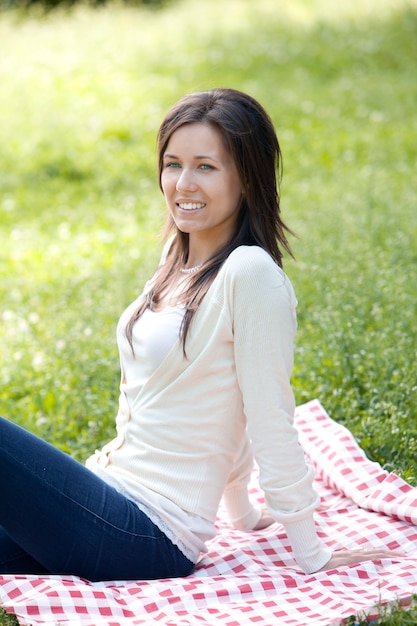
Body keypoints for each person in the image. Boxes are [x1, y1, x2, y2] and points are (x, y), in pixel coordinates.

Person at [0, 88, 403, 581]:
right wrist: (242, 513)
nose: (182, 183)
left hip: (147, 534)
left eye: (205, 167)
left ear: (247, 179)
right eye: (173, 164)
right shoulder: (178, 263)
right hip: (104, 497)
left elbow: (266, 410)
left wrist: (308, 546)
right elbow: (217, 399)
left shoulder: (250, 273)